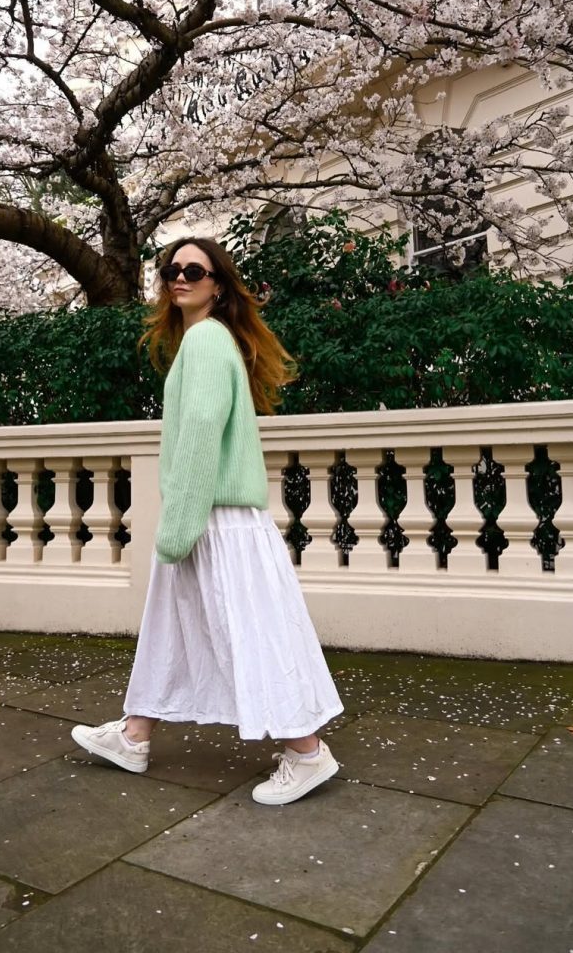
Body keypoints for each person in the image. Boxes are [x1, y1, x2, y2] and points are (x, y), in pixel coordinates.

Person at [71, 237, 344, 805]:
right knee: (174, 628)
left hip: (213, 521)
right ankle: (134, 734)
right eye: (171, 268)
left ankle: (307, 751)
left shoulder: (205, 341)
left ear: (218, 284)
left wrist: (177, 527)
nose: (179, 277)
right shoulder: (209, 340)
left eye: (194, 270)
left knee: (247, 635)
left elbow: (199, 436)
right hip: (214, 517)